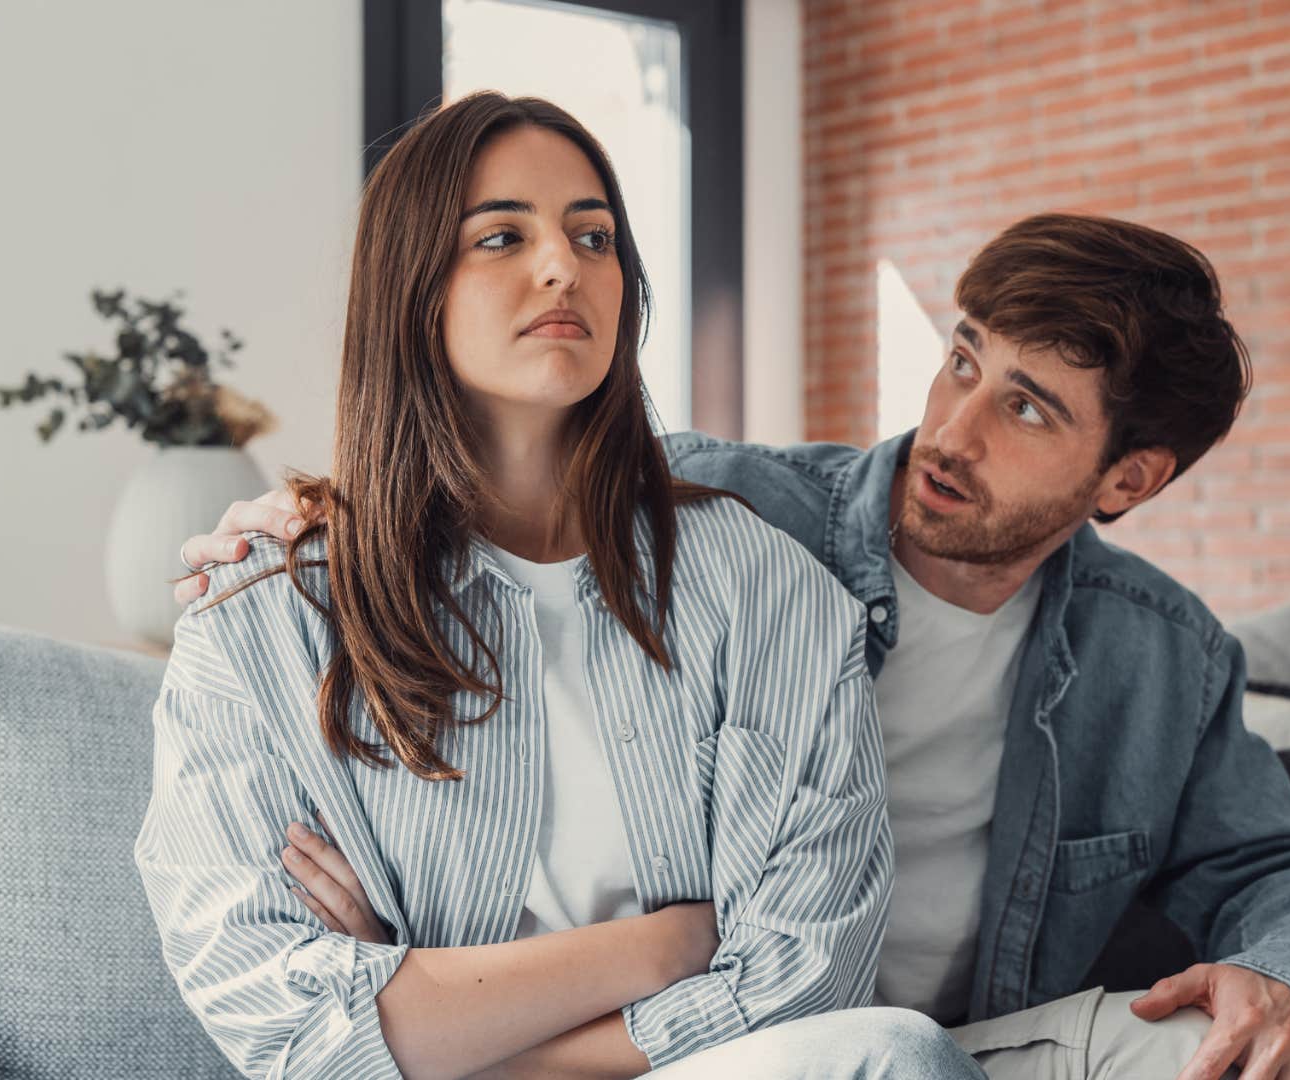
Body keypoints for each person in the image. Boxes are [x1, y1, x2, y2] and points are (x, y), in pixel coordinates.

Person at [180, 212, 1290, 1079]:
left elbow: (1288, 873)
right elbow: (481, 500)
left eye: (1027, 408)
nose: (953, 428)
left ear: (1129, 478)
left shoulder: (1161, 659)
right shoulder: (722, 515)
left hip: (974, 1047)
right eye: (962, 362)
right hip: (713, 1042)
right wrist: (310, 520)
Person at [136, 90, 986, 1080]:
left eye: (595, 236)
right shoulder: (266, 619)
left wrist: (440, 1016)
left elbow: (807, 977)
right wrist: (664, 945)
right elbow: (280, 1017)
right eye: (500, 237)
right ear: (412, 287)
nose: (563, 266)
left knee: (892, 1057)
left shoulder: (764, 588)